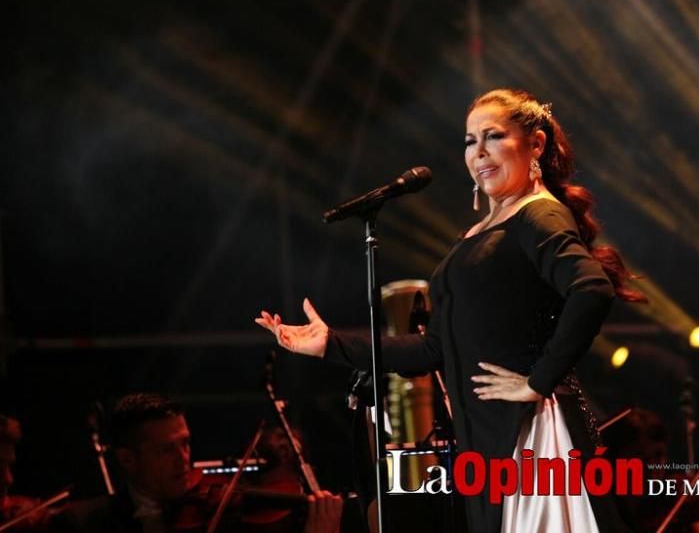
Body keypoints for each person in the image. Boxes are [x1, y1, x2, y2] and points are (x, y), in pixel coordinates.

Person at [256, 88, 645, 532]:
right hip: (486, 434)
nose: (478, 152)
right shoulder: (484, 229)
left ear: (535, 144)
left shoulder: (538, 215)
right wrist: (332, 344)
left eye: (493, 136)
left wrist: (538, 381)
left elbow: (591, 288)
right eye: (469, 140)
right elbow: (434, 347)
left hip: (529, 431)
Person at [50, 393, 342, 533]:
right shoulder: (84, 525)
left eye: (185, 443)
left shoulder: (225, 520)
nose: (184, 459)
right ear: (128, 459)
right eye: (167, 450)